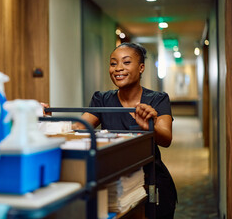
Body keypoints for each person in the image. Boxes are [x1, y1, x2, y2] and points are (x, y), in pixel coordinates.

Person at [43, 42, 177, 218]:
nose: (118, 68)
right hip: (116, 181)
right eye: (113, 63)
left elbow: (166, 139)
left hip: (151, 179)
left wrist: (149, 127)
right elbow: (77, 128)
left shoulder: (157, 99)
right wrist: (49, 121)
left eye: (126, 62)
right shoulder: (102, 100)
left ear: (141, 67)